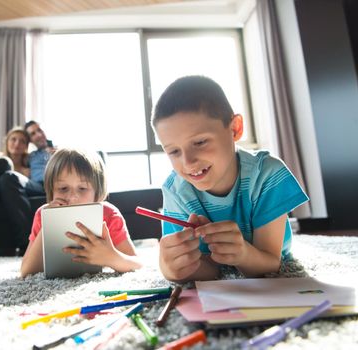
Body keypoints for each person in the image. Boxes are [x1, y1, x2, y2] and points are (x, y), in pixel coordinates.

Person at [152, 75, 309, 282]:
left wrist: (243, 254)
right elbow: (208, 269)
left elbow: (272, 263)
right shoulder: (175, 190)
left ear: (235, 128)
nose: (188, 162)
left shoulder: (267, 174)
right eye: (173, 151)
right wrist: (175, 270)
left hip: (266, 257)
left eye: (199, 142)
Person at [20, 147, 141, 277]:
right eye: (63, 188)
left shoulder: (109, 215)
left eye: (82, 188)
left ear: (97, 192)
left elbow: (137, 264)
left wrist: (111, 257)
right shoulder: (42, 214)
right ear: (51, 190)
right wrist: (48, 225)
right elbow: (26, 271)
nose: (73, 197)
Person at [0, 120, 55, 247]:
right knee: (9, 177)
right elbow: (14, 160)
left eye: (39, 130)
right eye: (33, 134)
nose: (38, 135)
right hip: (37, 186)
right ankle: (26, 241)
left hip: (54, 185)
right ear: (31, 141)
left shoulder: (59, 150)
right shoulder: (31, 156)